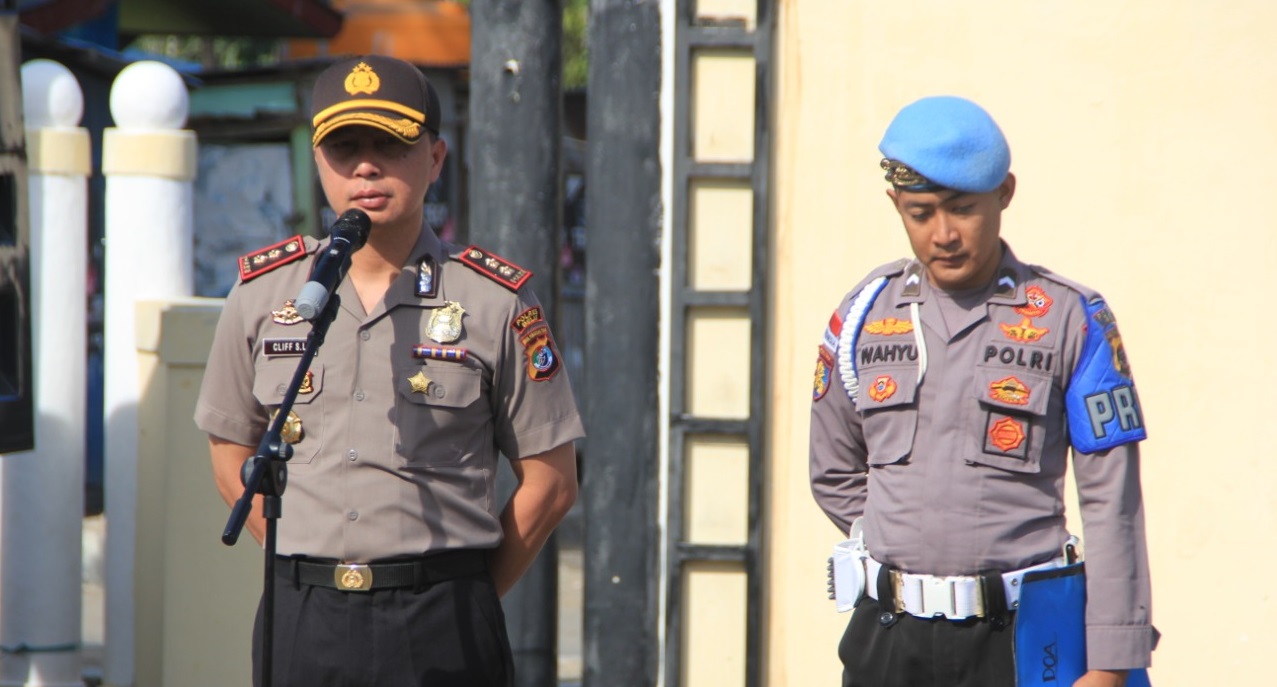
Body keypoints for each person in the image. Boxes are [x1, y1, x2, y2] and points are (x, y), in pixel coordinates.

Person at [194, 54, 583, 687]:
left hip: (442, 616)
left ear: (434, 158)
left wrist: (467, 590)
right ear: (321, 162)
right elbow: (229, 456)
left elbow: (552, 483)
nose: (366, 166)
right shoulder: (264, 295)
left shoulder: (493, 300)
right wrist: (308, 564)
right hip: (303, 614)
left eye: (391, 144)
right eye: (344, 147)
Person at [809, 96, 1157, 687]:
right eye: (920, 213)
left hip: (1024, 642)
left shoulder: (1071, 320)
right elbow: (833, 472)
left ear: (1005, 194)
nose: (943, 234)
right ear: (895, 204)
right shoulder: (863, 316)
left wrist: (1110, 663)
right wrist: (907, 540)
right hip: (890, 639)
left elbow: (1112, 505)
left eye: (962, 209)